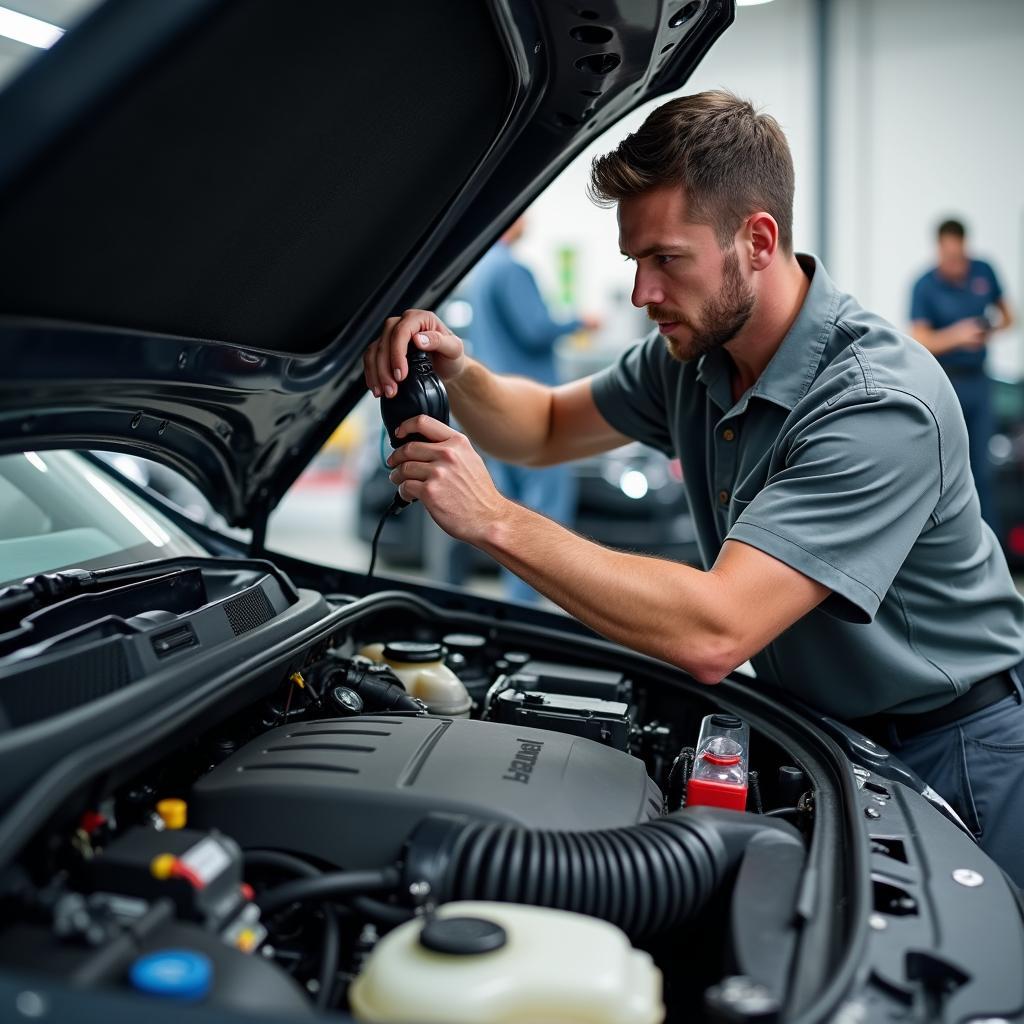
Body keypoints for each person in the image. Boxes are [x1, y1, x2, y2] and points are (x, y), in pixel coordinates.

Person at [364, 91, 1024, 884]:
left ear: (757, 239)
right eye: (633, 260)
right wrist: (457, 367)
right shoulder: (695, 355)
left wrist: (495, 521)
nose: (642, 294)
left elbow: (715, 632)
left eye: (666, 259)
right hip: (831, 737)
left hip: (955, 752)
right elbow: (539, 427)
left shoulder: (876, 403)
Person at [460, 216, 599, 602]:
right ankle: (536, 612)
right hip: (532, 409)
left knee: (512, 515)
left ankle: (518, 604)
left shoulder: (482, 272)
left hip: (493, 408)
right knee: (544, 518)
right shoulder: (511, 269)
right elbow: (535, 329)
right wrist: (579, 321)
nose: (528, 220)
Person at [909, 219, 1016, 532]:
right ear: (939, 249)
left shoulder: (984, 271)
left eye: (960, 257)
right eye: (949, 257)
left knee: (985, 470)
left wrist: (988, 330)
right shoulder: (925, 284)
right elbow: (920, 338)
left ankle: (994, 553)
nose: (955, 265)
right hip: (946, 383)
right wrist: (958, 336)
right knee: (948, 468)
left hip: (980, 382)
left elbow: (1010, 316)